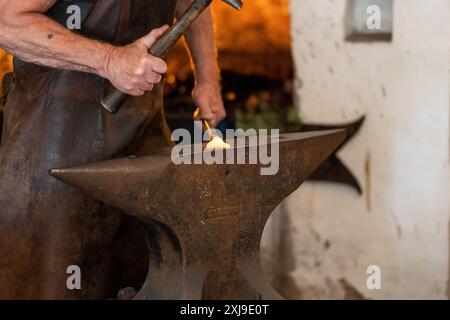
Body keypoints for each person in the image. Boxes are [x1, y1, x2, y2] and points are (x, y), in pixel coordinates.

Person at [0, 0, 226, 299]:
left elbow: (193, 3)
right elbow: (6, 21)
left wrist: (208, 78)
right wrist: (109, 60)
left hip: (144, 136)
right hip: (54, 143)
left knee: (152, 277)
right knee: (53, 284)